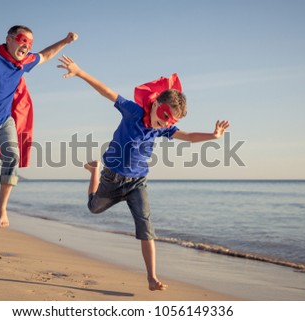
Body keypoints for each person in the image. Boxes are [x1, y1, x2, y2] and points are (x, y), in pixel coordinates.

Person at [57, 55, 230, 291]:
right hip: (112, 178)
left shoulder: (163, 130)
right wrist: (79, 71)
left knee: (145, 227)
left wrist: (214, 136)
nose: (165, 125)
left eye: (170, 123)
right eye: (164, 118)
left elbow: (188, 137)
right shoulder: (133, 112)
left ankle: (151, 277)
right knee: (93, 208)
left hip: (137, 183)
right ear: (157, 105)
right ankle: (94, 171)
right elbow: (107, 92)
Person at [0, 26, 78, 228]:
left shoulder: (24, 62)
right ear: (9, 39)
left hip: (4, 121)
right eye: (22, 40)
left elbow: (45, 55)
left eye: (30, 43)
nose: (26, 46)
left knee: (12, 156)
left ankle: (1, 207)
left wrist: (65, 41)